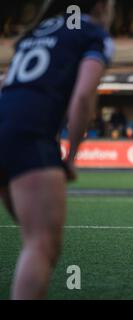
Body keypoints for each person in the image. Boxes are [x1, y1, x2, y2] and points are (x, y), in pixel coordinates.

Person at [0, 0, 115, 299]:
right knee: (42, 244)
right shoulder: (92, 33)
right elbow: (83, 97)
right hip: (28, 137)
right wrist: (72, 156)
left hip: (6, 127)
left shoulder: (37, 31)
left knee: (33, 238)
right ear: (102, 6)